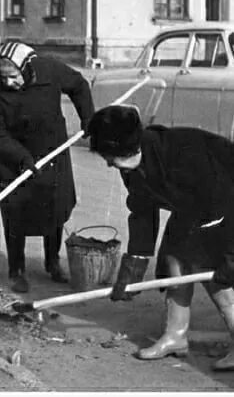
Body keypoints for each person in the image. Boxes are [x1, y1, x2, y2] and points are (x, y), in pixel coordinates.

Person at [87, 104, 234, 370]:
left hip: (225, 207)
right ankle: (175, 336)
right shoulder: (134, 164)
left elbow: (225, 204)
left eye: (110, 156)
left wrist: (231, 256)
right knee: (173, 265)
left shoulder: (185, 157)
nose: (108, 164)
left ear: (128, 148)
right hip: (194, 209)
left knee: (215, 276)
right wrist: (133, 268)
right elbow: (143, 210)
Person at [0, 41, 95, 293]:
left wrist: (88, 118)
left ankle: (52, 263)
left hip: (51, 149)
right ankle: (16, 270)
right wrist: (21, 156)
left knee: (55, 204)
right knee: (16, 213)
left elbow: (78, 85)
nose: (8, 82)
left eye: (13, 77)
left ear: (27, 67)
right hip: (12, 158)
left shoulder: (49, 70)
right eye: (3, 77)